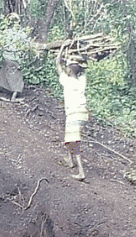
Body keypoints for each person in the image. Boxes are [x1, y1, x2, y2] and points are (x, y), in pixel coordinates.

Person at [56, 46, 89, 180]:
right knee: (70, 138)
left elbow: (57, 63)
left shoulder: (66, 80)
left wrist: (63, 48)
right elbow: (81, 68)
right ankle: (70, 160)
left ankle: (81, 172)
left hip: (74, 114)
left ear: (69, 69)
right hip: (83, 113)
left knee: (73, 141)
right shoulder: (82, 81)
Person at [0, 13, 31, 101]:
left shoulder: (5, 32)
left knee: (4, 71)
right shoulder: (21, 34)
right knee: (17, 77)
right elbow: (25, 47)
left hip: (5, 56)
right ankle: (13, 97)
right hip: (14, 58)